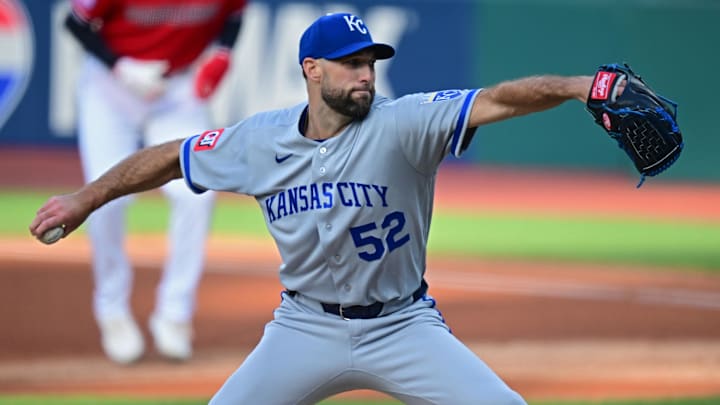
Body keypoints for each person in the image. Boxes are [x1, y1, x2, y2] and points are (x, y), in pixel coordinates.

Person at [32, 12, 598, 404]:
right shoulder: (260, 140)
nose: (365, 75)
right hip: (303, 328)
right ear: (312, 69)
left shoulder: (403, 123)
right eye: (350, 63)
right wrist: (87, 198)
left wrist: (577, 86)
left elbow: (498, 100)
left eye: (370, 63)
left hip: (402, 325)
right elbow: (170, 158)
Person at [62, 0, 247, 364]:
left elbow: (235, 14)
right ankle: (111, 308)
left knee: (197, 196)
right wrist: (120, 65)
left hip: (177, 89)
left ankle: (175, 315)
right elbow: (75, 22)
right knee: (105, 199)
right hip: (111, 88)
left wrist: (223, 53)